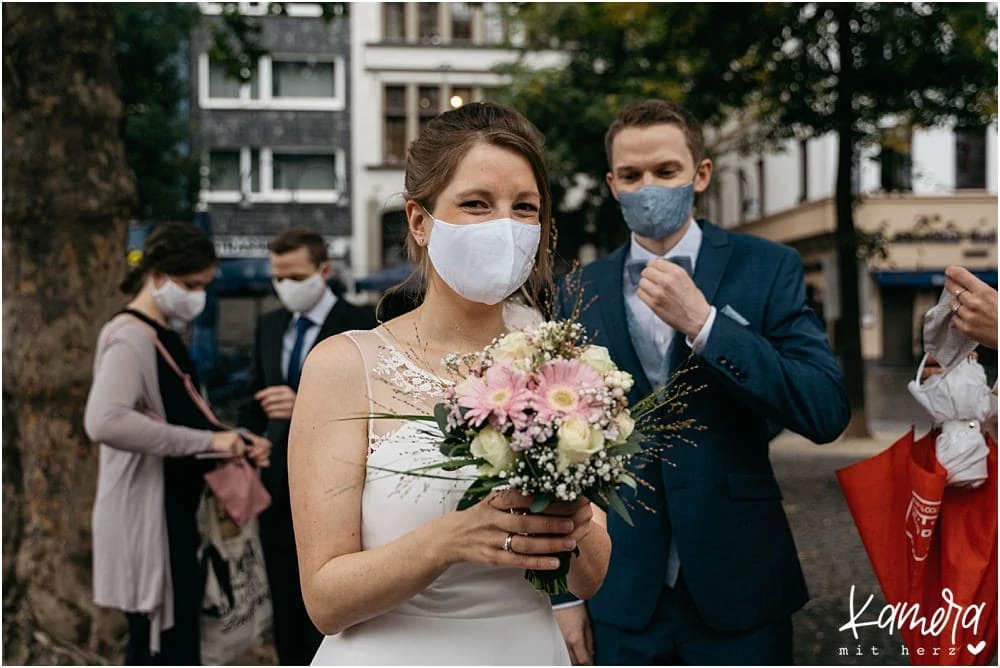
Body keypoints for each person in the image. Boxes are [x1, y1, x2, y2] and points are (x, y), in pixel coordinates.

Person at [287, 101, 610, 665]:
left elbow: (590, 579)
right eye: (477, 204)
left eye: (524, 208)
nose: (504, 227)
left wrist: (574, 512)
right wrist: (449, 541)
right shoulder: (344, 366)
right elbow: (324, 600)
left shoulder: (561, 362)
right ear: (419, 220)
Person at [550, 99, 851, 665]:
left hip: (740, 580)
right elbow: (554, 450)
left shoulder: (768, 267)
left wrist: (707, 326)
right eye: (632, 176)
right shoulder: (575, 290)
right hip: (619, 585)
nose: (648, 188)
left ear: (700, 174)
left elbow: (826, 409)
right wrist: (563, 596)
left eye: (665, 172)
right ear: (612, 185)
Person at [85, 222, 272, 665]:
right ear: (158, 274)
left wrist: (234, 441)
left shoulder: (159, 333)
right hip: (150, 519)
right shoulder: (132, 337)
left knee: (173, 642)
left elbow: (181, 417)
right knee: (159, 646)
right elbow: (105, 421)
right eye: (191, 285)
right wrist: (210, 440)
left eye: (204, 286)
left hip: (172, 515)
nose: (198, 296)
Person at [237, 226, 376, 665]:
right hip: (277, 484)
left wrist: (306, 405)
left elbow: (375, 403)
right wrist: (251, 441)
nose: (286, 287)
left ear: (324, 271)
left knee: (338, 600)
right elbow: (254, 399)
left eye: (296, 276)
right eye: (278, 277)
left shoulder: (361, 324)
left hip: (341, 486)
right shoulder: (269, 324)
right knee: (284, 594)